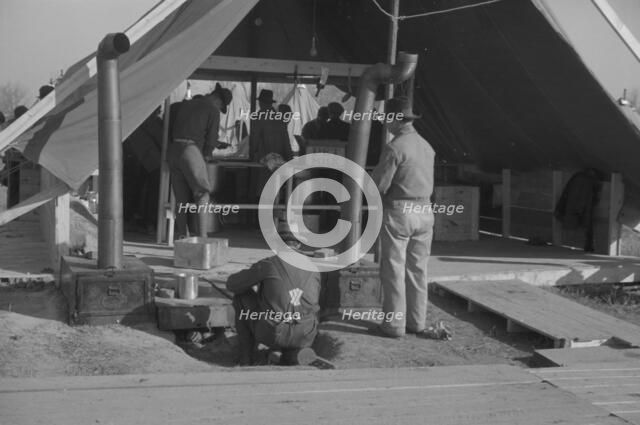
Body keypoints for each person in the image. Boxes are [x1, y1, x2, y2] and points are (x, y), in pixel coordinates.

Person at [370, 96, 435, 338]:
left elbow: (379, 185)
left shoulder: (395, 148)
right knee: (418, 269)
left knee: (394, 268)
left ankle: (394, 325)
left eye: (388, 118)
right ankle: (417, 323)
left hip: (400, 213)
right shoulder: (427, 146)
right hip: (425, 212)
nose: (386, 123)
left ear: (396, 120)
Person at [226, 223, 321, 365]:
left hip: (273, 333)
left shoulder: (268, 265)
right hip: (306, 334)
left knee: (241, 297)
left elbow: (232, 285)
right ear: (300, 245)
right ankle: (289, 353)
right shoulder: (314, 268)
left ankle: (246, 358)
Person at [168, 83, 232, 238]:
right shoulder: (212, 110)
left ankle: (182, 235)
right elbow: (210, 140)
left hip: (174, 150)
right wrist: (207, 156)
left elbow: (186, 128)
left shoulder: (185, 105)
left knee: (181, 199)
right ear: (218, 100)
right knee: (202, 194)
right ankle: (203, 238)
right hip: (191, 151)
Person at [249, 90, 293, 201]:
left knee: (261, 194)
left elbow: (254, 142)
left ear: (260, 103)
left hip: (262, 162)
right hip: (279, 162)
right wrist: (289, 159)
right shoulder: (279, 118)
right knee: (275, 195)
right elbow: (286, 143)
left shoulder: (258, 117)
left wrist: (252, 156)